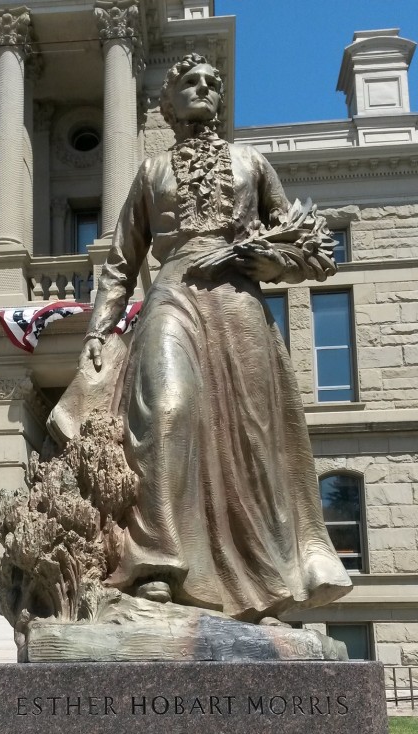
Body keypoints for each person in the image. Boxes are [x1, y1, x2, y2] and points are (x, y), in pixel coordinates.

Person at [76, 53, 352, 622]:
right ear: (168, 102)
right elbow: (121, 263)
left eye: (213, 84)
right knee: (167, 411)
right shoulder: (151, 173)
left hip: (237, 303)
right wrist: (100, 328)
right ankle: (156, 564)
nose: (203, 89)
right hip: (173, 295)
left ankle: (266, 580)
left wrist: (260, 255)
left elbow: (312, 252)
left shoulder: (252, 162)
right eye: (190, 83)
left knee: (253, 440)